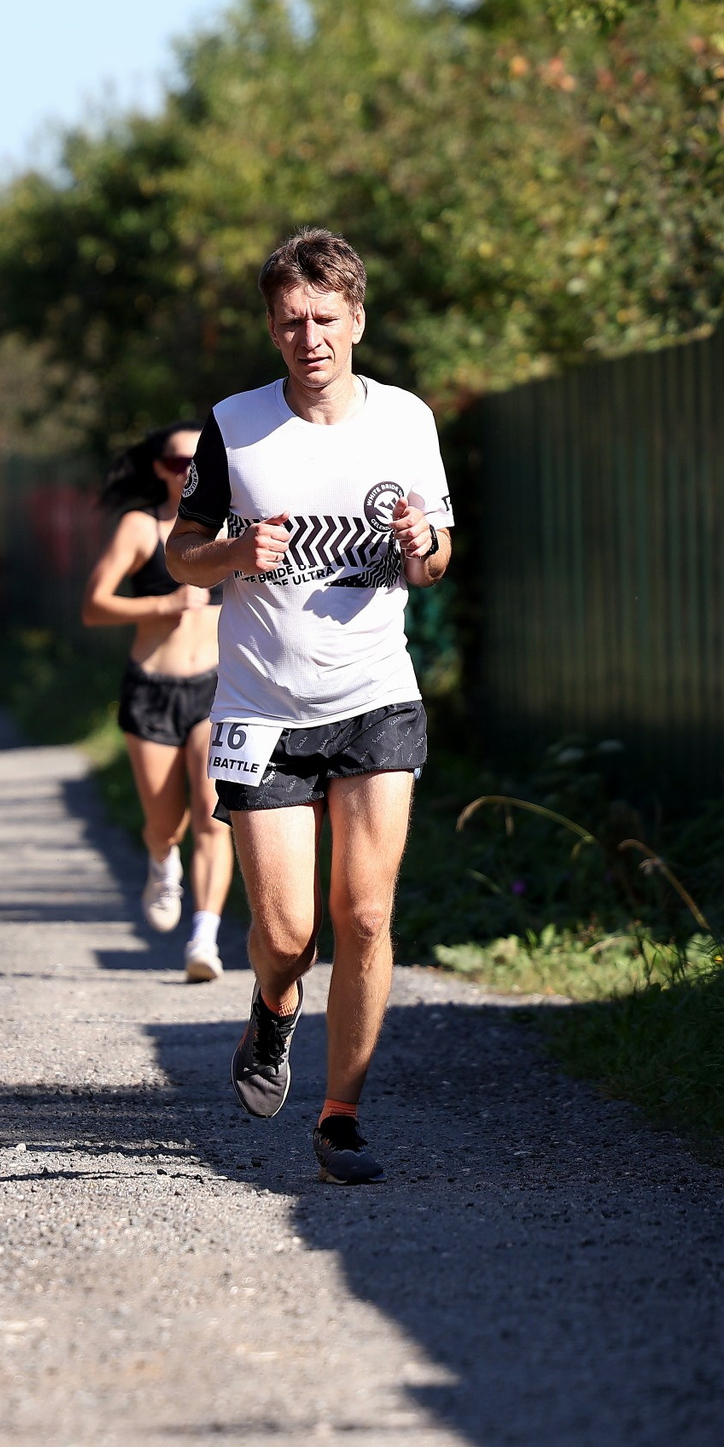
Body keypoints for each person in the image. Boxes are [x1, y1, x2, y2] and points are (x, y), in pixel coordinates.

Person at [163, 227, 452, 1186]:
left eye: (325, 317)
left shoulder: (407, 421)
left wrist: (422, 543)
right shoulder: (235, 424)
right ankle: (274, 1011)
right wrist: (233, 556)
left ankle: (342, 1120)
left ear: (357, 318)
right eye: (291, 319)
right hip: (262, 709)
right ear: (272, 328)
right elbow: (180, 553)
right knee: (288, 934)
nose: (309, 335)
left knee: (365, 916)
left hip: (376, 696)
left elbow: (438, 556)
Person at [81, 423, 233, 980]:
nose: (188, 471)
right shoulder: (141, 528)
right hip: (152, 689)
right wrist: (161, 606)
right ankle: (161, 860)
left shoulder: (231, 528)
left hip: (218, 689)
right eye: (176, 462)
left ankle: (205, 938)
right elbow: (94, 606)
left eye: (199, 460)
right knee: (164, 821)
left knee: (214, 813)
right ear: (158, 470)